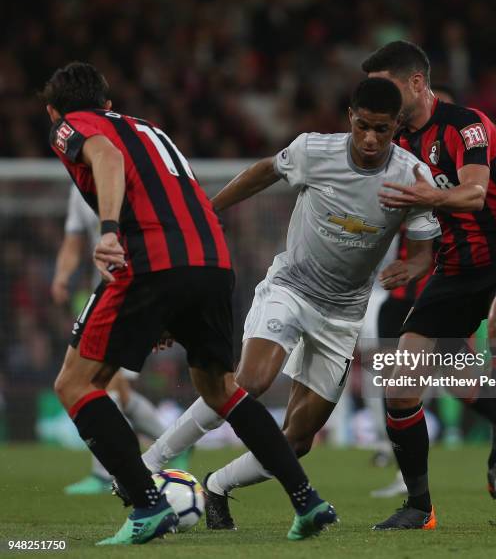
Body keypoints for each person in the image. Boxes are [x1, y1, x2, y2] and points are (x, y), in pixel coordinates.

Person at [44, 61, 335, 545]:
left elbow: (107, 159)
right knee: (220, 387)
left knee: (74, 383)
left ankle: (146, 506)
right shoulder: (149, 129)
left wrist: (111, 231)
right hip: (212, 260)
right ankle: (308, 500)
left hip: (152, 258)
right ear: (109, 103)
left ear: (54, 111)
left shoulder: (70, 126)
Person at [136, 77, 441, 530]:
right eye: (363, 127)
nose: (372, 139)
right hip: (291, 288)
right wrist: (208, 210)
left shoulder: (413, 176)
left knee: (298, 440)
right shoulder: (314, 151)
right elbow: (264, 171)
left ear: (397, 126)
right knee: (251, 380)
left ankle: (217, 485)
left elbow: (422, 251)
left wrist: (414, 267)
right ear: (349, 119)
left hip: (343, 314)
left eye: (383, 129)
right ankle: (150, 462)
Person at [361, 41, 496, 530]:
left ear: (416, 84)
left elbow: (476, 194)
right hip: (453, 268)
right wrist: (419, 259)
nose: (380, 97)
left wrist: (425, 193)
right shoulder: (397, 143)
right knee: (401, 382)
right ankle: (419, 507)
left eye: (387, 87)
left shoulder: (466, 125)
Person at [52, 185, 184, 495]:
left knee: (95, 383)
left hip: (136, 289)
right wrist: (61, 275)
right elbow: (73, 241)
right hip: (107, 292)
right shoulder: (78, 187)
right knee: (117, 391)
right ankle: (173, 443)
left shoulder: (137, 178)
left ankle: (105, 473)